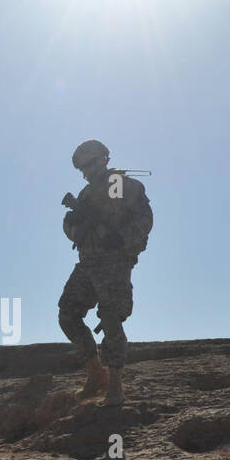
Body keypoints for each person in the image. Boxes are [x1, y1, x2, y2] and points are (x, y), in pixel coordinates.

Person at [58, 139, 153, 406]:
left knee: (111, 318)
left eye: (88, 165)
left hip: (114, 261)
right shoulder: (86, 195)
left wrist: (122, 239)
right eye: (81, 169)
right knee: (67, 315)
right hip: (88, 263)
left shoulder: (123, 186)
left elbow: (145, 219)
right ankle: (95, 374)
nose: (85, 172)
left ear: (103, 159)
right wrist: (72, 224)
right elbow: (72, 232)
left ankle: (115, 384)